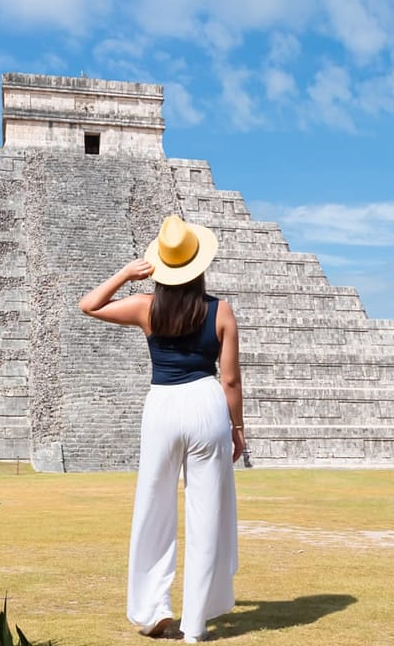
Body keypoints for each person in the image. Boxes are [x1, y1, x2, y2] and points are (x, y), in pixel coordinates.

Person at [78, 214, 246, 643]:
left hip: (162, 405)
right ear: (198, 266)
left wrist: (126, 273)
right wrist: (237, 427)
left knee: (154, 506)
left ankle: (153, 609)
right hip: (207, 402)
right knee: (206, 511)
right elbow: (230, 379)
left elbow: (89, 305)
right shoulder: (220, 311)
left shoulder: (145, 307)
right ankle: (196, 623)